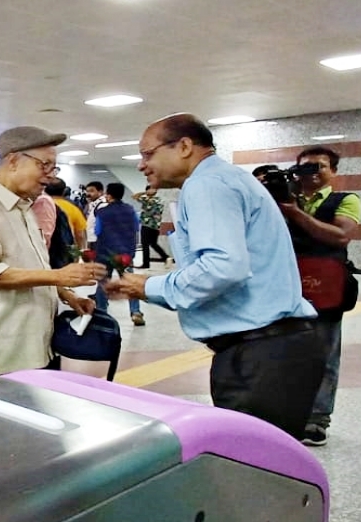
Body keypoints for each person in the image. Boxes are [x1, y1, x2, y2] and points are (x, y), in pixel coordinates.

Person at [105, 113, 324, 438]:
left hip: (260, 355)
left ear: (183, 146)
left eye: (147, 153)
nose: (141, 165)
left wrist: (149, 286)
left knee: (251, 469)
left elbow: (224, 267)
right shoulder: (228, 178)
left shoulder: (206, 184)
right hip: (273, 348)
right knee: (262, 467)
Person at [0, 126, 101, 383]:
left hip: (37, 343)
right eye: (45, 166)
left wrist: (66, 294)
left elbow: (31, 264)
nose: (50, 177)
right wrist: (59, 276)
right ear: (14, 161)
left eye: (54, 168)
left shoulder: (24, 207)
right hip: (1, 351)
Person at [282, 147, 361, 447]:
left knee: (324, 354)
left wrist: (294, 213)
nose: (312, 172)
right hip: (286, 286)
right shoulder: (285, 198)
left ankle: (317, 419)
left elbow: (340, 235)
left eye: (320, 166)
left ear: (333, 171)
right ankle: (286, 411)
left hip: (325, 287)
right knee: (282, 352)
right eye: (304, 167)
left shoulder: (346, 200)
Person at [94, 182, 145, 326]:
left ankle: (102, 313)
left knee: (103, 282)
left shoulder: (102, 212)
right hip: (125, 253)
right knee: (130, 281)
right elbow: (136, 227)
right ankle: (135, 312)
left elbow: (97, 231)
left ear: (108, 195)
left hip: (105, 252)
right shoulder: (130, 210)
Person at [132, 185, 169, 268]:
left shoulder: (147, 200)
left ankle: (146, 263)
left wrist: (145, 193)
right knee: (153, 244)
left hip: (147, 225)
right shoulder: (159, 200)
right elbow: (134, 196)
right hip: (156, 226)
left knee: (145, 244)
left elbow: (134, 196)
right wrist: (146, 192)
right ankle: (166, 257)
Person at [48, 178, 87, 250]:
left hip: (43, 248)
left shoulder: (39, 206)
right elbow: (80, 234)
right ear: (64, 191)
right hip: (65, 249)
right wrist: (77, 252)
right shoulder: (73, 208)